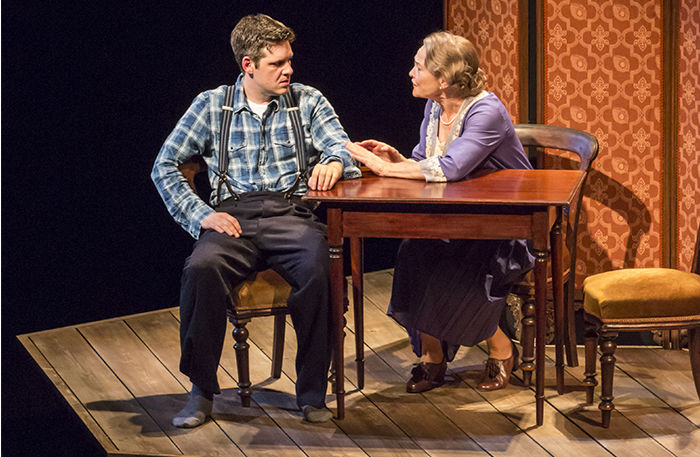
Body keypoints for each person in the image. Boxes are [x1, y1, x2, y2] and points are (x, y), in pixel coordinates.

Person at [152, 14, 360, 427]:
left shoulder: (308, 101)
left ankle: (311, 393)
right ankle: (201, 390)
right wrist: (202, 215)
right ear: (248, 65)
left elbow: (343, 147)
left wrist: (336, 162)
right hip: (234, 216)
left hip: (292, 215)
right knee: (201, 268)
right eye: (277, 63)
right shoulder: (212, 105)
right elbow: (165, 166)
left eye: (289, 60)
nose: (288, 70)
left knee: (320, 269)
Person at [346, 31, 534, 394]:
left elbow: (452, 167)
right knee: (414, 250)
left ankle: (500, 345)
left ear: (444, 80)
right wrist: (398, 160)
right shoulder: (435, 108)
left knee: (454, 263)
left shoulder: (486, 111)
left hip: (507, 225)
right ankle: (432, 355)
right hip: (459, 219)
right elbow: (426, 162)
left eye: (419, 67)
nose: (411, 73)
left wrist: (383, 169)